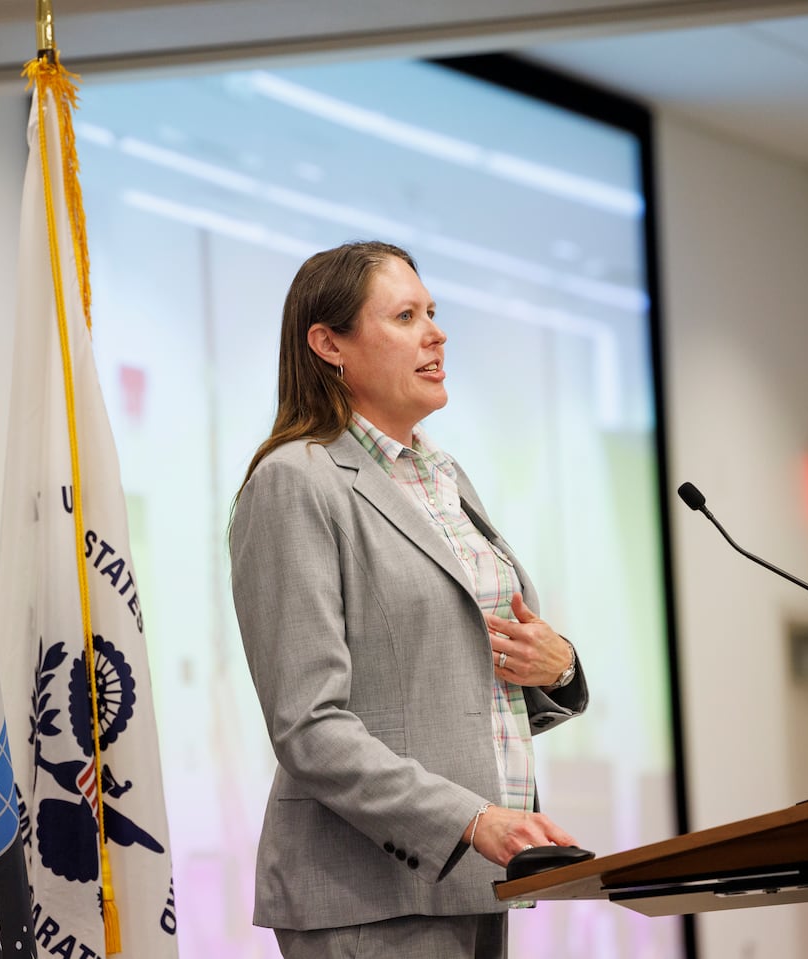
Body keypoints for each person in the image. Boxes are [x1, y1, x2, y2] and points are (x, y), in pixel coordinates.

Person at [229, 241, 589, 959]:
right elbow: (308, 726)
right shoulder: (297, 481)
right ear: (329, 344)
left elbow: (457, 684)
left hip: (480, 877)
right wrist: (468, 819)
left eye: (433, 312)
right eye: (404, 315)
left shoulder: (442, 473)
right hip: (369, 894)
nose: (436, 332)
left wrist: (560, 668)